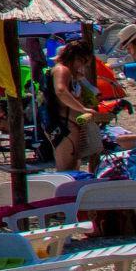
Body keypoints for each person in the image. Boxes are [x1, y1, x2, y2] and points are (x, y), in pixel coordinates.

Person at [47, 40, 100, 172]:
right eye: (82, 62)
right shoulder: (62, 69)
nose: (82, 67)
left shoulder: (67, 72)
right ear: (76, 58)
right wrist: (82, 109)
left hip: (67, 124)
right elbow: (61, 91)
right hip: (63, 125)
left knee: (73, 165)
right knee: (66, 168)